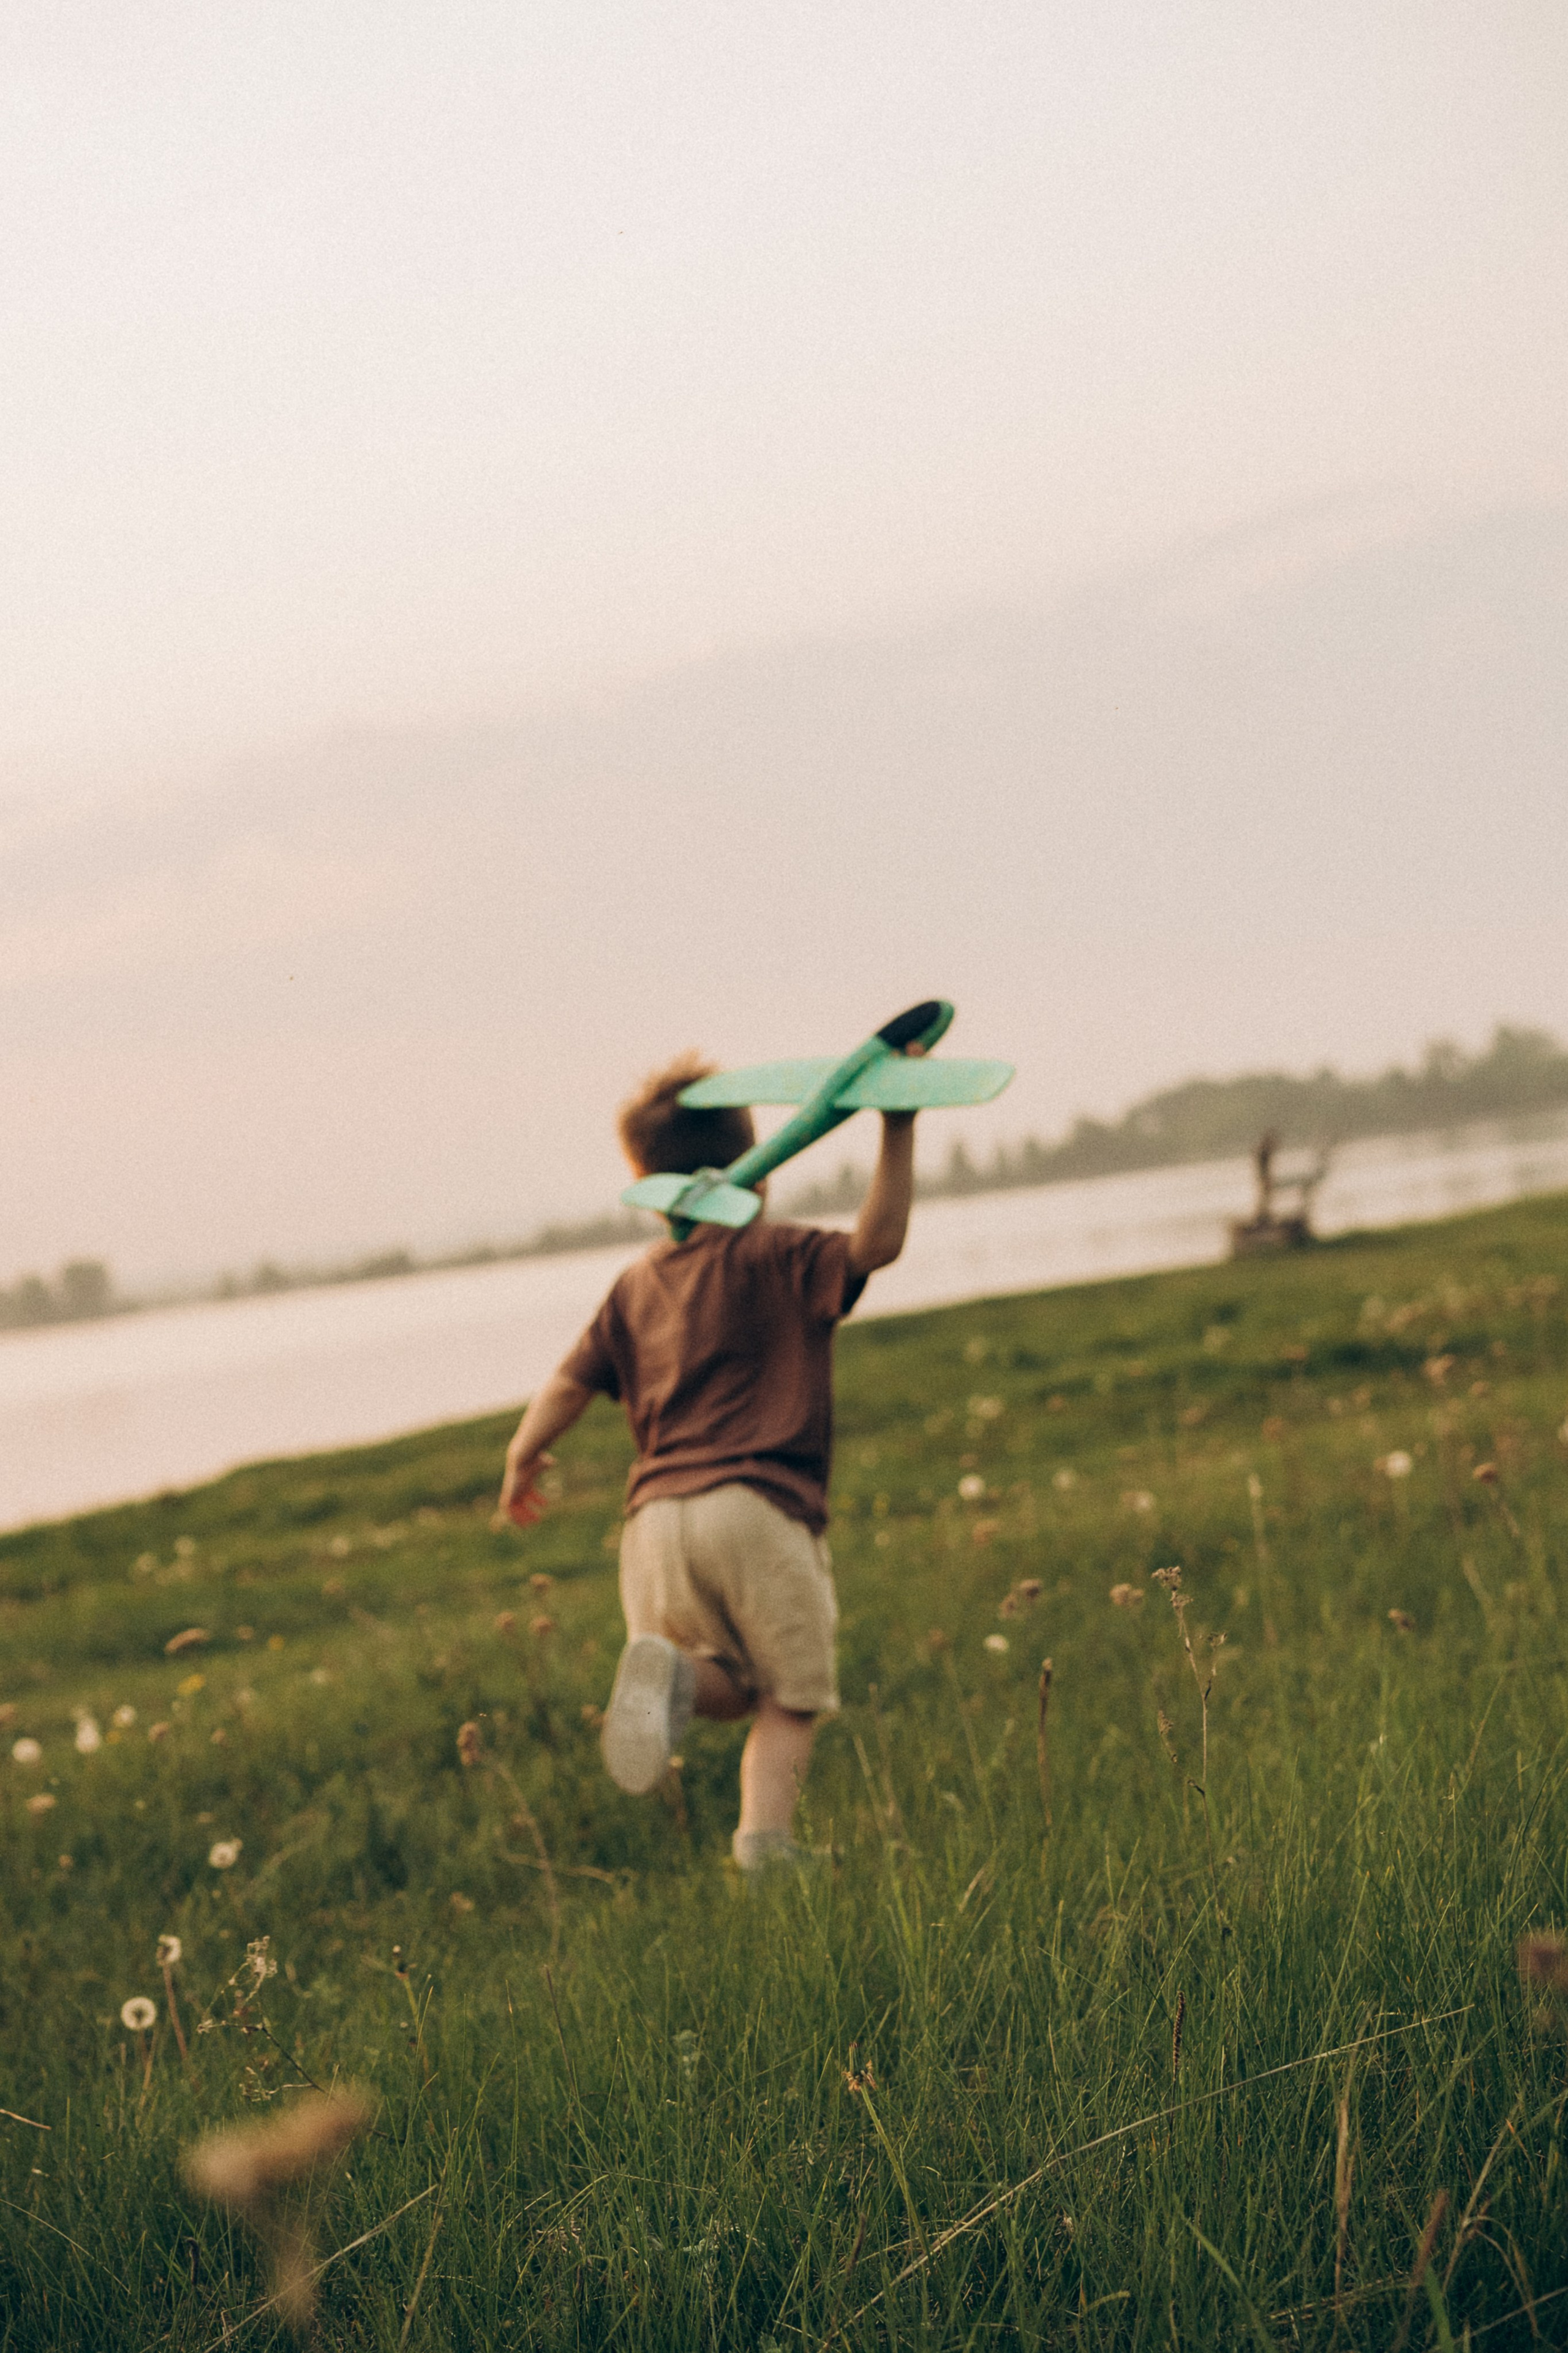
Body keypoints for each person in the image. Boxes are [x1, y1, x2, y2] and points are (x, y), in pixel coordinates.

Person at [497, 1045, 921, 1872]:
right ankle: (765, 1846)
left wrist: (523, 1454)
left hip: (654, 1524)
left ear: (647, 1182)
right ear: (757, 1169)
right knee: (791, 1698)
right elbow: (877, 1242)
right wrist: (897, 1125)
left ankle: (675, 1679)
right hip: (755, 1509)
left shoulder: (635, 1284)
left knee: (732, 1681)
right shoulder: (777, 1253)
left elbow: (568, 1383)